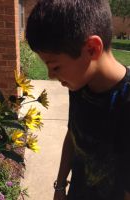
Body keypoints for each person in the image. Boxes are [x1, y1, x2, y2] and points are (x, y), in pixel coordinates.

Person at [26, 0, 130, 199]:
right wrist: (60, 186)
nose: (50, 75)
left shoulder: (126, 104)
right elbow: (73, 132)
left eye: (55, 67)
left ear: (92, 49)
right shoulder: (79, 83)